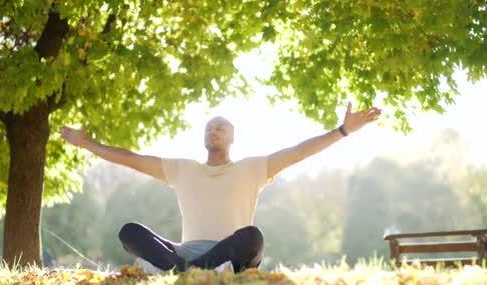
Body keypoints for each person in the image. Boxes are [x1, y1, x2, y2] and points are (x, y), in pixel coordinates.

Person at [60, 102, 381, 274]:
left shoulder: (252, 168)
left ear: (232, 138)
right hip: (185, 251)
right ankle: (193, 270)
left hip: (230, 251)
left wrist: (342, 131)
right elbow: (132, 159)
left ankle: (181, 272)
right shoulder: (182, 169)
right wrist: (88, 145)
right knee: (130, 230)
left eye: (221, 127)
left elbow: (299, 151)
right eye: (210, 127)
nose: (214, 130)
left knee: (252, 237)